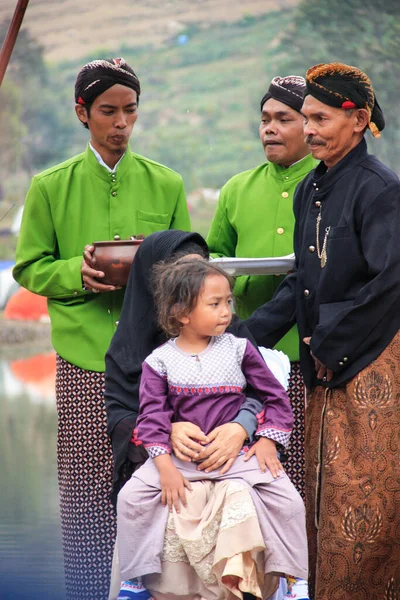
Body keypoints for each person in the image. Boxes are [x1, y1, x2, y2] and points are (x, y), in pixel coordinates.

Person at [13, 58, 191, 600]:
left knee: (167, 495)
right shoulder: (50, 188)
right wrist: (79, 273)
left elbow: (189, 267)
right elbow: (29, 266)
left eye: (130, 110)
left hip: (158, 369)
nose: (120, 123)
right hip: (86, 365)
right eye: (108, 111)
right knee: (90, 503)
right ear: (82, 113)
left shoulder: (166, 183)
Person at [244, 62, 400, 600]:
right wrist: (241, 338)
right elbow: (302, 281)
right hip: (327, 369)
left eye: (320, 118)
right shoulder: (312, 185)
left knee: (368, 502)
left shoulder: (380, 190)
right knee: (323, 497)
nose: (308, 129)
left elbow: (390, 283)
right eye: (305, 118)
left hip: (374, 365)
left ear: (356, 121)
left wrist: (330, 341)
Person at [116, 258, 308, 600]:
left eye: (229, 302)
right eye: (215, 304)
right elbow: (152, 419)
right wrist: (163, 468)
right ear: (182, 313)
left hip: (235, 455)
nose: (226, 312)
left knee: (289, 501)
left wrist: (267, 440)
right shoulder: (158, 362)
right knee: (131, 499)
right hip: (180, 458)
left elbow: (274, 397)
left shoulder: (240, 349)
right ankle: (135, 579)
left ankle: (294, 580)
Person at [207, 76, 317, 499]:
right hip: (248, 355)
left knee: (310, 478)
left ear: (309, 125)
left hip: (310, 354)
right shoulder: (237, 189)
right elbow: (216, 258)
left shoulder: (328, 184)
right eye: (264, 119)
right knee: (252, 483)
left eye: (283, 119)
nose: (270, 128)